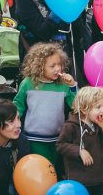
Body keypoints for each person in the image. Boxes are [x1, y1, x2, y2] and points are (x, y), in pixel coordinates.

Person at [13, 42, 77, 177]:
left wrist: (72, 86)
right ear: (39, 66)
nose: (57, 69)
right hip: (34, 138)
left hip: (57, 137)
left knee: (53, 170)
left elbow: (75, 105)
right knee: (40, 171)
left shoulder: (63, 85)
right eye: (52, 66)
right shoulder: (28, 83)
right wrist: (13, 121)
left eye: (59, 64)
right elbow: (18, 104)